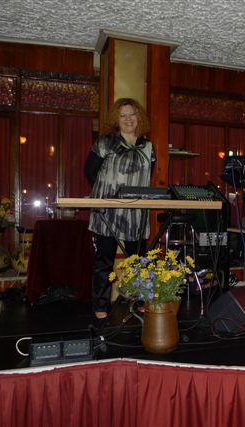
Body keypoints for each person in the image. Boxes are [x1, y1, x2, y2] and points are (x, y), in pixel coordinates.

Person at [84, 98, 155, 319]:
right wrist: (107, 194)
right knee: (104, 261)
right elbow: (89, 172)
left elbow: (148, 176)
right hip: (107, 211)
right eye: (123, 115)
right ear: (117, 119)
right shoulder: (105, 143)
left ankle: (140, 300)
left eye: (132, 114)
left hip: (136, 213)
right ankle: (101, 306)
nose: (128, 119)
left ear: (139, 117)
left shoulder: (148, 147)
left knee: (139, 260)